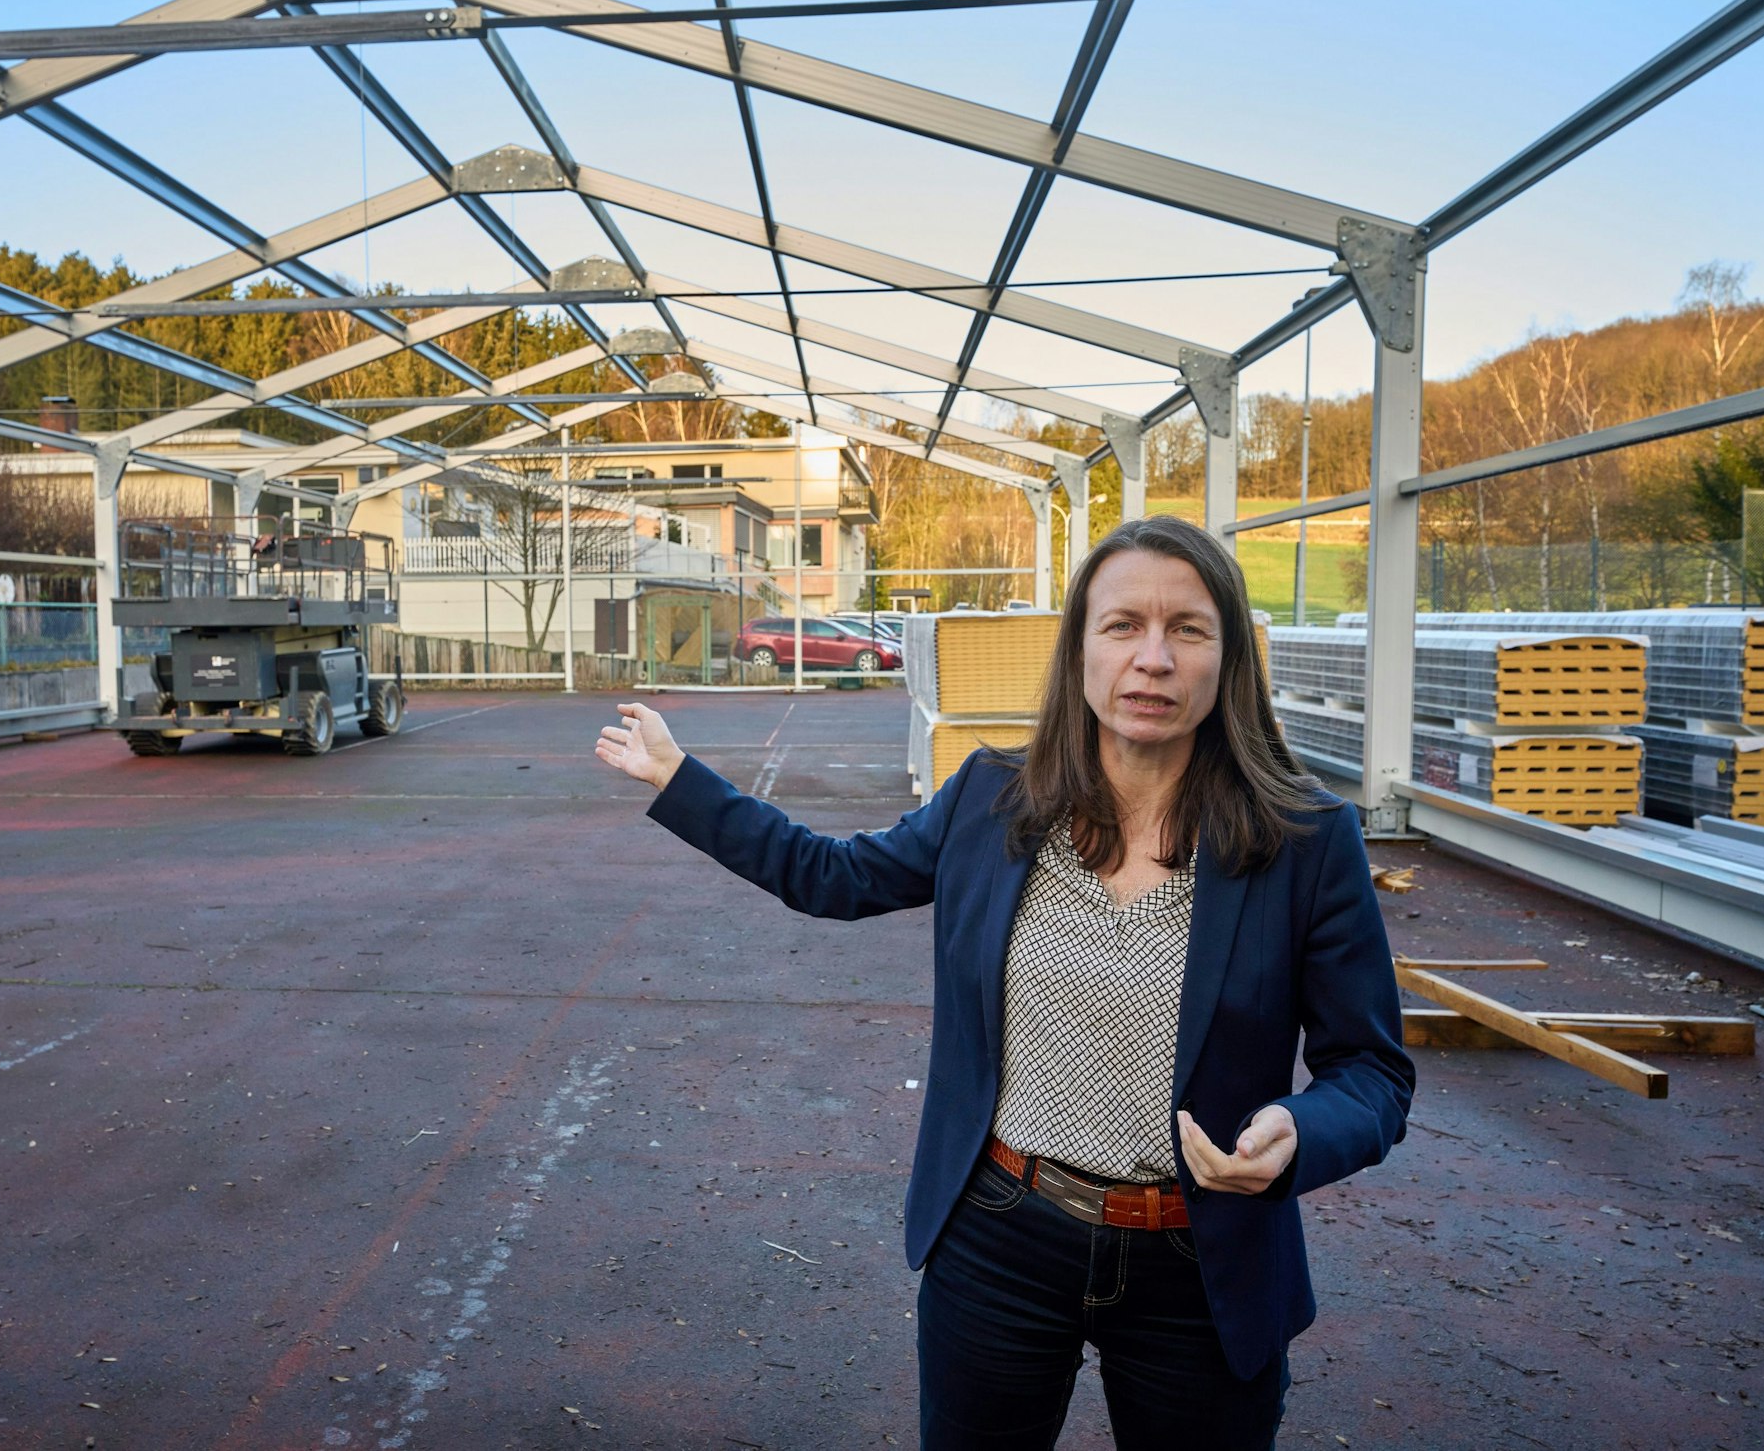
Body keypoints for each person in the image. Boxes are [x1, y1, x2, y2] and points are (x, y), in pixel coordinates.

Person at [593, 516, 1413, 1450]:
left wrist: (1301, 1133)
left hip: (1204, 1255)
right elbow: (832, 875)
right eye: (1123, 627)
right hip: (1001, 1234)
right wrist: (680, 781)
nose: (1153, 658)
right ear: (1079, 650)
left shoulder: (1304, 842)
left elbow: (1373, 1074)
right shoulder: (993, 801)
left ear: (1228, 659)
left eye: (1187, 629)